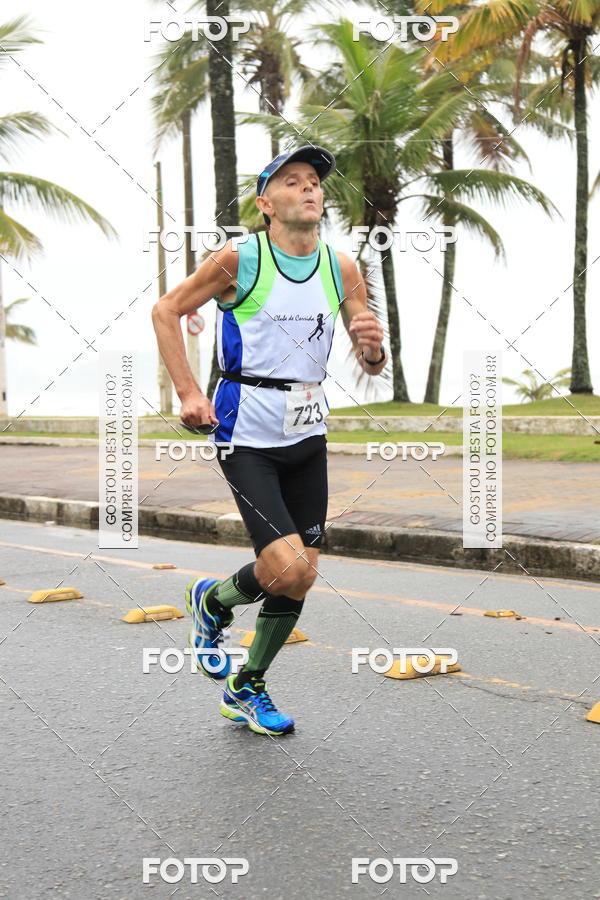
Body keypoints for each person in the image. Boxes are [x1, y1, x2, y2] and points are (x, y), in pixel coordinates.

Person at [152, 145, 387, 736]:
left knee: (301, 573)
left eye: (314, 182)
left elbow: (371, 359)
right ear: (266, 204)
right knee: (284, 568)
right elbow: (166, 309)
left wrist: (373, 347)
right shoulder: (240, 259)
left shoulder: (343, 267)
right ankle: (219, 610)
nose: (309, 189)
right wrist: (187, 393)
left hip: (309, 430)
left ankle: (240, 667)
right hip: (245, 430)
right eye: (292, 182)